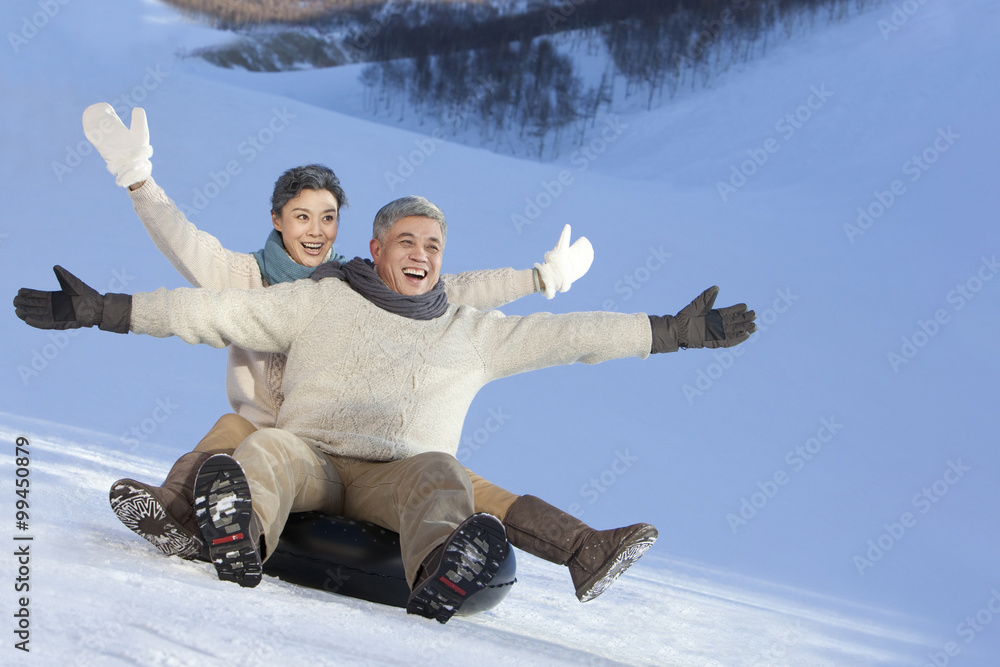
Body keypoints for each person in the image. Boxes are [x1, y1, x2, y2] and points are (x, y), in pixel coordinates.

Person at [14, 195, 756, 622]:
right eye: (408, 240)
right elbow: (211, 311)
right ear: (377, 247)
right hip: (311, 457)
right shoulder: (319, 300)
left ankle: (444, 568)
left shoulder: (473, 331)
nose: (422, 253)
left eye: (434, 243)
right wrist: (104, 308)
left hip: (394, 479)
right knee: (263, 450)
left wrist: (670, 332)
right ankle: (237, 533)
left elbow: (574, 335)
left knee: (440, 471)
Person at [78, 103, 656, 605]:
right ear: (277, 220)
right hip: (280, 441)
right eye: (301, 216)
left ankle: (581, 547)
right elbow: (187, 255)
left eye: (327, 218)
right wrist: (138, 180)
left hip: (369, 445)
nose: (316, 230)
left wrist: (537, 278)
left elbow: (451, 292)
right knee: (239, 430)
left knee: (451, 478)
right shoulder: (246, 278)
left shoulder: (351, 285)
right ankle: (184, 515)